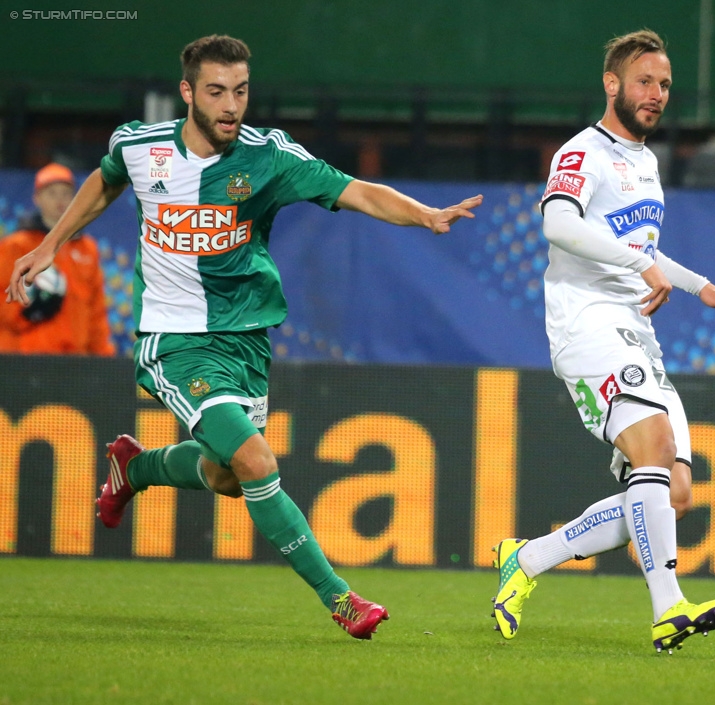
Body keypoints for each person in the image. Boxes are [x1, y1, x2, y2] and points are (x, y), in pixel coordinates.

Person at [6, 35, 482, 641]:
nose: (231, 105)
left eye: (241, 91)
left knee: (228, 476)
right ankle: (341, 599)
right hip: (173, 340)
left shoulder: (269, 157)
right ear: (187, 94)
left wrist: (426, 214)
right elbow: (105, 182)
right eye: (216, 92)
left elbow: (355, 190)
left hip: (246, 339)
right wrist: (51, 245)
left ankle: (137, 467)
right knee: (255, 461)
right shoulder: (139, 145)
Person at [489, 29, 715, 654]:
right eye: (644, 81)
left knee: (677, 492)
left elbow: (641, 246)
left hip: (634, 328)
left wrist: (699, 286)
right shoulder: (583, 150)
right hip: (586, 321)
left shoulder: (645, 161)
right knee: (654, 448)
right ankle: (669, 609)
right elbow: (558, 222)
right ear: (612, 84)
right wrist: (643, 269)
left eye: (665, 84)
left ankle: (526, 559)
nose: (656, 94)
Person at [0, 163, 115, 356]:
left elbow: (96, 311)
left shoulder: (88, 248)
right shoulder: (16, 245)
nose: (59, 200)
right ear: (37, 198)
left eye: (65, 193)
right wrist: (28, 312)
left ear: (75, 198)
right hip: (24, 356)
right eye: (51, 193)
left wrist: (103, 357)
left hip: (75, 360)